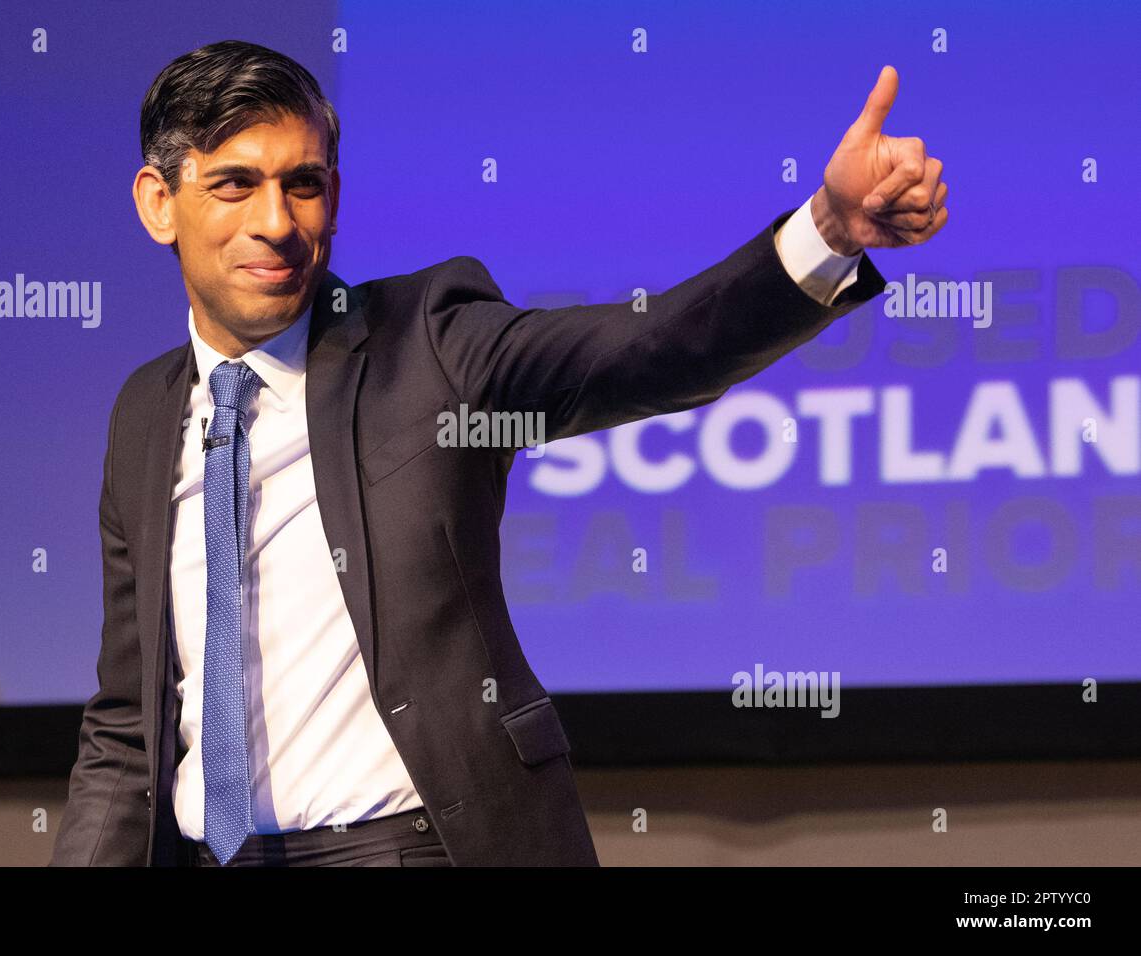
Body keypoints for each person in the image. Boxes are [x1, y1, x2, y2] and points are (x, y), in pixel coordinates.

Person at [50, 40, 947, 867]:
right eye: (236, 185)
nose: (278, 222)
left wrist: (826, 227)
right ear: (159, 203)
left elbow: (651, 351)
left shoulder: (428, 345)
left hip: (417, 851)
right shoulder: (144, 411)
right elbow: (130, 723)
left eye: (307, 184)